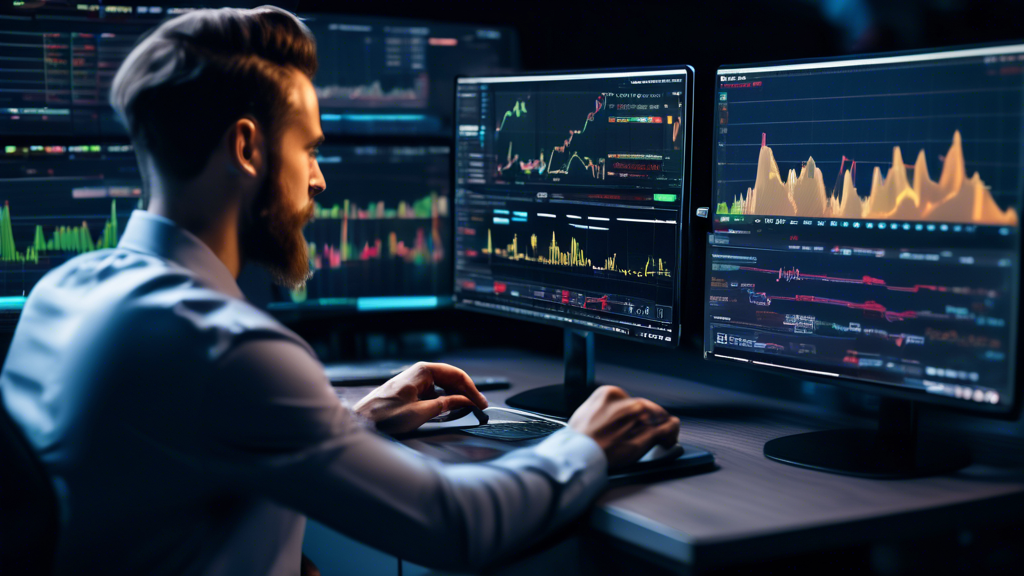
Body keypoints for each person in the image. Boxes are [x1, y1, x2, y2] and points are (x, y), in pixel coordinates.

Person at [0, 6, 680, 575]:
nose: (319, 180)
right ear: (247, 148)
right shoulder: (226, 348)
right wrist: (585, 445)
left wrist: (351, 422)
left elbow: (165, 462)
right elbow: (455, 528)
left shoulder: (62, 292)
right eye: (310, 149)